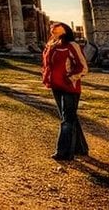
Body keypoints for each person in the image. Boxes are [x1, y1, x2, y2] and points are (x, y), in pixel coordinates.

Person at [41, 22, 89, 160]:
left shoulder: (72, 45)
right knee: (68, 117)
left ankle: (63, 152)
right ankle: (81, 148)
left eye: (56, 29)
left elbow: (83, 67)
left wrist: (70, 78)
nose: (53, 31)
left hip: (70, 87)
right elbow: (47, 64)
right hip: (55, 86)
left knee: (67, 119)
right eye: (52, 30)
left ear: (65, 30)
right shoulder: (52, 44)